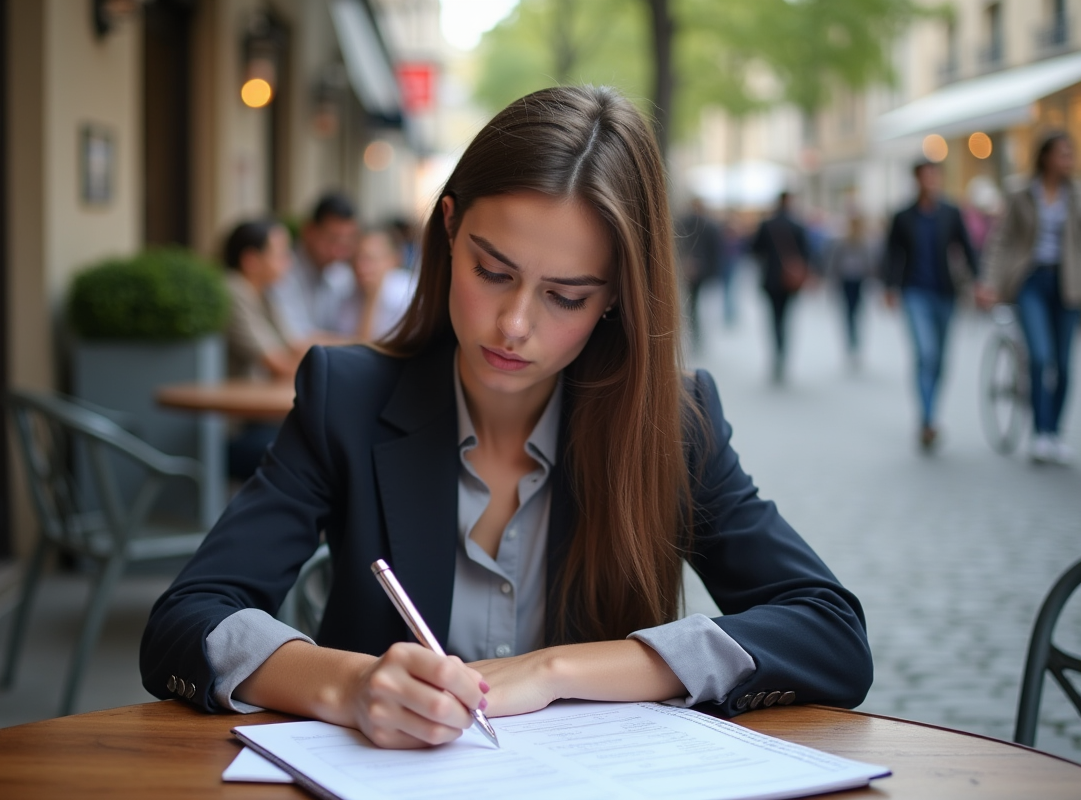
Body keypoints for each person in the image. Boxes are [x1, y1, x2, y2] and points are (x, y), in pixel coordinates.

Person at [141, 86, 871, 750]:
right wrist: (347, 686)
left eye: (567, 295)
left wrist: (555, 670)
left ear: (616, 295)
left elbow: (829, 634)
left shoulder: (672, 427)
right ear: (449, 228)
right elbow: (186, 621)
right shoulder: (347, 398)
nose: (514, 324)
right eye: (493, 271)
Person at [977, 133, 1081, 465]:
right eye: (1062, 153)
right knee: (1039, 356)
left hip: (1067, 284)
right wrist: (990, 282)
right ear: (1046, 157)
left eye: (1070, 154)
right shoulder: (1022, 193)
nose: (1068, 159)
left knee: (1063, 365)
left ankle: (1054, 432)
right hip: (1031, 281)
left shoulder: (1076, 195)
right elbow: (1000, 241)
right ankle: (1039, 434)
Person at [883, 161, 979, 451]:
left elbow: (966, 248)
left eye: (935, 176)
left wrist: (979, 282)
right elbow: (891, 254)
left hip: (945, 294)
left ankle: (931, 411)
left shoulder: (950, 212)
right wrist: (889, 287)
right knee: (925, 354)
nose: (931, 181)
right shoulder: (903, 216)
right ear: (917, 180)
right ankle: (927, 420)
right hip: (914, 292)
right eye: (926, 176)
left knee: (939, 360)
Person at [220, 219, 303, 480]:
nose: (288, 261)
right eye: (279, 253)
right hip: (235, 430)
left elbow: (295, 348)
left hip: (259, 418)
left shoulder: (262, 293)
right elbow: (278, 362)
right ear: (251, 260)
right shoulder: (233, 291)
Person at [271, 193, 360, 340]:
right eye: (332, 239)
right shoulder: (282, 272)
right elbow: (299, 340)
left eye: (346, 242)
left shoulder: (340, 274)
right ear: (309, 231)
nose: (339, 251)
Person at [750, 192, 811, 383]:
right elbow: (807, 253)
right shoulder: (798, 226)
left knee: (773, 318)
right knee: (786, 317)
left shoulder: (767, 224)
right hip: (790, 281)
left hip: (771, 279)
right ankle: (783, 351)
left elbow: (755, 250)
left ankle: (776, 351)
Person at [337, 228, 416, 341]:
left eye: (370, 259)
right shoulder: (348, 295)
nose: (361, 267)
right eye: (356, 259)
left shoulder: (409, 293)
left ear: (393, 259)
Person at [825, 214, 874, 368]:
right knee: (848, 312)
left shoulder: (863, 241)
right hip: (846, 280)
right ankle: (851, 342)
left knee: (856, 312)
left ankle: (854, 342)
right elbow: (835, 261)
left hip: (858, 280)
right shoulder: (842, 241)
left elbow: (869, 261)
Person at [674, 198, 722, 346]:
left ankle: (696, 330)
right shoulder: (708, 225)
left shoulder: (686, 223)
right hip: (700, 268)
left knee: (693, 302)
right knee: (696, 302)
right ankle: (697, 331)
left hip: (693, 267)